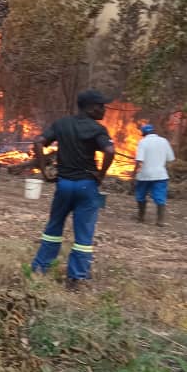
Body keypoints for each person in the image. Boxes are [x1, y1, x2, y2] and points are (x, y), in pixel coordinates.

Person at [31, 90, 116, 287]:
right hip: (86, 186)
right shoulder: (97, 129)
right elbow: (110, 151)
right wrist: (101, 175)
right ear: (91, 107)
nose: (104, 110)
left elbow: (38, 141)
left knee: (53, 228)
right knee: (83, 235)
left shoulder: (61, 124)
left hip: (64, 184)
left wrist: (44, 170)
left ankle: (40, 268)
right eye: (101, 106)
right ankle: (76, 278)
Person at [134, 123, 175, 226]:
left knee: (141, 195)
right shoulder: (164, 141)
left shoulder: (143, 142)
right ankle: (160, 220)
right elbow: (170, 158)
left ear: (143, 133)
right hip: (161, 174)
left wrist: (134, 172)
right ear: (153, 131)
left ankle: (141, 217)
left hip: (144, 175)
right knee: (160, 196)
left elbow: (139, 160)